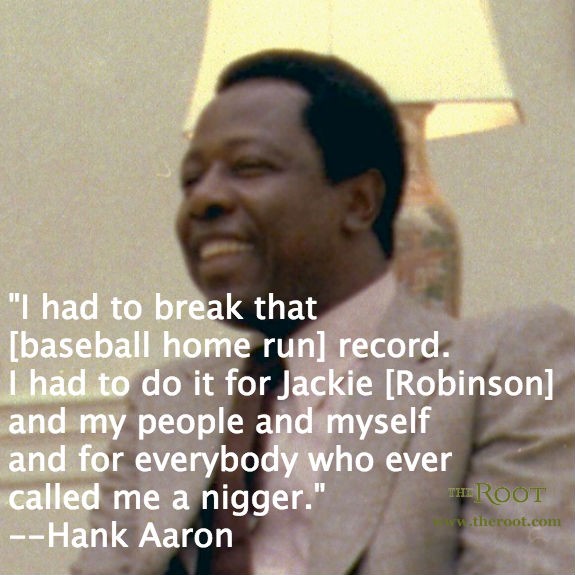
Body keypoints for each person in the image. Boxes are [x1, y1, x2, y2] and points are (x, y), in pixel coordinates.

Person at [71, 50, 574, 575]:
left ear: (359, 202)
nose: (203, 200)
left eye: (249, 167)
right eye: (191, 181)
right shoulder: (165, 399)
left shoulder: (502, 366)